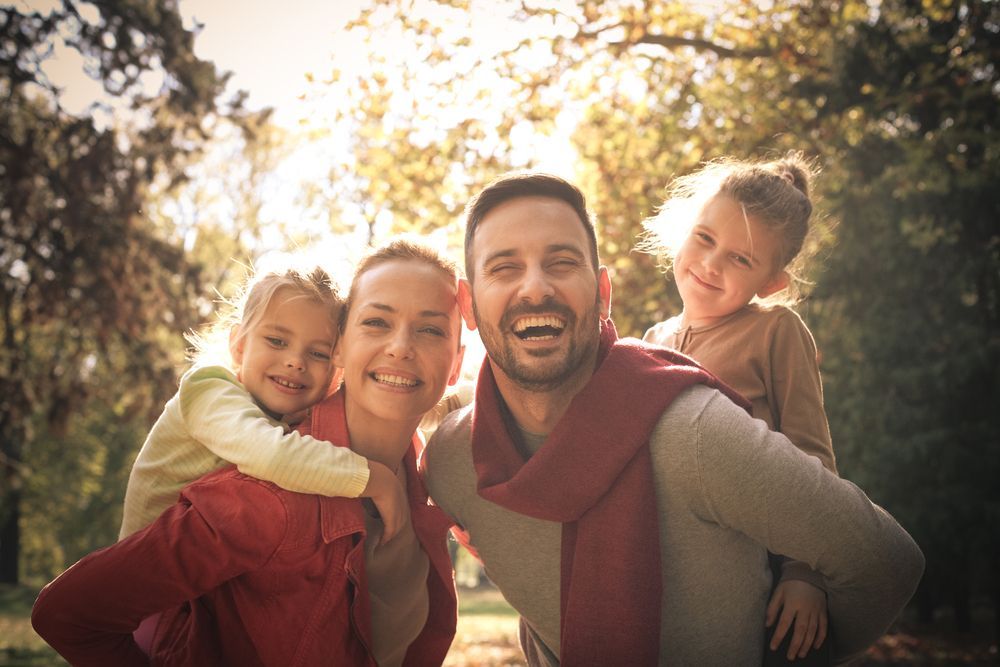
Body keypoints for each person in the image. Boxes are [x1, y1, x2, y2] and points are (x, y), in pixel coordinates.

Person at [421, 172, 924, 666]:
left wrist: (801, 618)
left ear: (603, 294)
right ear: (466, 304)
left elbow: (877, 554)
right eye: (504, 267)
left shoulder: (701, 421)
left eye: (561, 261)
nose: (535, 288)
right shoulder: (451, 466)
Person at [32, 239, 465, 666]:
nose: (401, 348)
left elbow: (443, 402)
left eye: (430, 329)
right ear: (342, 349)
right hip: (156, 604)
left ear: (456, 364)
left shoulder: (426, 468)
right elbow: (69, 614)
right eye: (376, 322)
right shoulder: (266, 493)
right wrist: (371, 478)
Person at [639, 154, 835, 661]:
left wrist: (804, 572)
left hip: (757, 563)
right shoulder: (651, 341)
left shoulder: (775, 331)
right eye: (704, 238)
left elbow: (811, 459)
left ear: (771, 282)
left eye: (740, 259)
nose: (710, 264)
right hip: (671, 563)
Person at [119, 261, 407, 543]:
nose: (295, 361)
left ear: (336, 373)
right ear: (240, 345)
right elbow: (270, 454)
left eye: (318, 353)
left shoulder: (294, 420)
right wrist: (373, 480)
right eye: (277, 341)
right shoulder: (208, 390)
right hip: (145, 572)